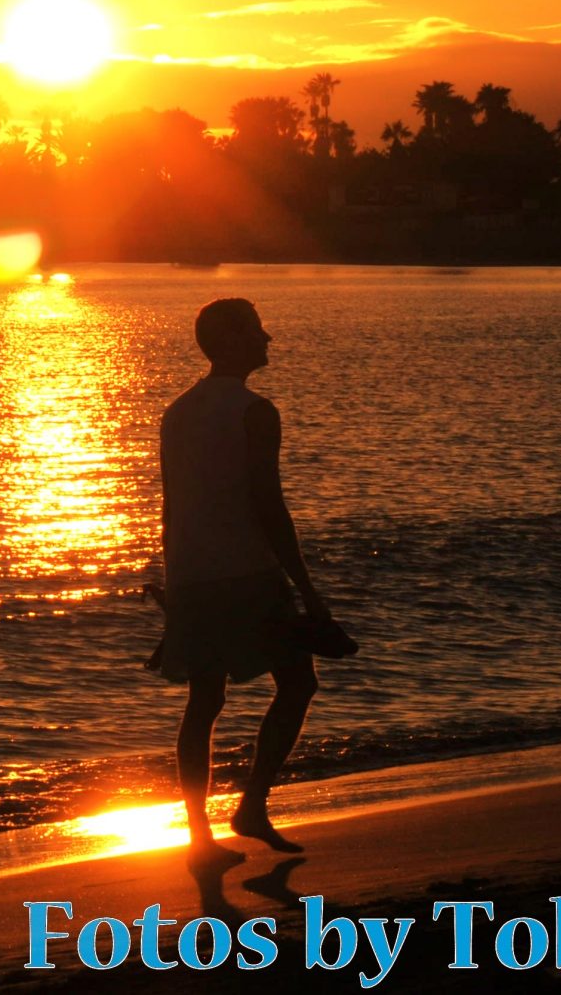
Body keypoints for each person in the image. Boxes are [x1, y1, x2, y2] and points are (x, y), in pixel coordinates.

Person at [157, 297, 330, 865]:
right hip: (248, 573)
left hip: (193, 573)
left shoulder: (177, 411)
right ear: (233, 341)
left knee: (203, 699)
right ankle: (252, 804)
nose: (268, 338)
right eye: (257, 330)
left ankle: (199, 836)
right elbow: (269, 505)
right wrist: (305, 588)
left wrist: (175, 579)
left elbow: (171, 507)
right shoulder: (257, 411)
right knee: (298, 683)